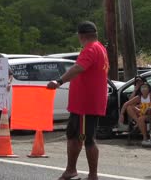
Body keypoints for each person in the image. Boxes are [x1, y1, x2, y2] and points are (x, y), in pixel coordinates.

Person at [47, 21, 109, 180]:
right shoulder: (100, 48)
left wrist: (59, 81)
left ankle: (92, 175)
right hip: (84, 103)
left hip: (85, 103)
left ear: (81, 36)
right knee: (73, 135)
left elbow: (78, 68)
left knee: (87, 138)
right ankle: (71, 169)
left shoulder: (90, 49)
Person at [119, 82, 151, 147]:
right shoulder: (139, 97)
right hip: (143, 113)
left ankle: (144, 136)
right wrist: (121, 115)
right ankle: (143, 133)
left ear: (149, 89)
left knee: (141, 118)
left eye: (145, 87)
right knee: (129, 107)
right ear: (140, 90)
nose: (144, 89)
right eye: (142, 87)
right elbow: (126, 104)